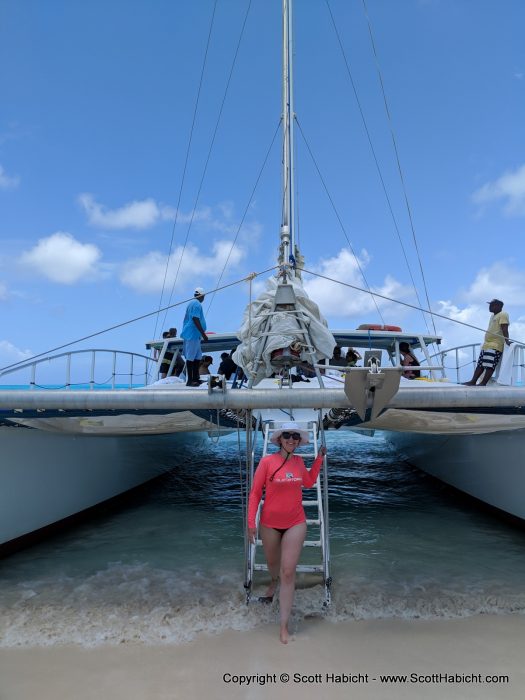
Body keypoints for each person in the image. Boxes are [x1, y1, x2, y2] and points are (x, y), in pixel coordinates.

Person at [247, 421, 327, 644]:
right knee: (274, 566)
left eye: (295, 436)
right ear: (279, 439)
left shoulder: (300, 462)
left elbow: (309, 483)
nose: (291, 439)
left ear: (299, 441)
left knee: (288, 572)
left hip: (295, 522)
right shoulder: (266, 462)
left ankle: (284, 627)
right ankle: (273, 581)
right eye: (287, 435)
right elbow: (255, 494)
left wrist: (319, 459)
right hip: (270, 523)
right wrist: (250, 523)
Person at [463, 299, 510, 386]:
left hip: (495, 345)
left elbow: (504, 328)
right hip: (486, 344)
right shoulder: (492, 316)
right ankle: (473, 381)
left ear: (499, 306)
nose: (490, 307)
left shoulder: (503, 314)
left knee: (490, 365)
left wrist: (507, 340)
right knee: (480, 364)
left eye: (492, 305)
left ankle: (483, 383)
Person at [180, 287, 208, 386]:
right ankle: (190, 381)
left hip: (195, 335)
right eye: (204, 296)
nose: (204, 298)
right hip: (192, 334)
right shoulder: (196, 304)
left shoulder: (193, 303)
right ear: (201, 295)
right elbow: (195, 319)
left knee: (197, 357)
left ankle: (196, 378)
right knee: (191, 358)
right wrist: (204, 334)